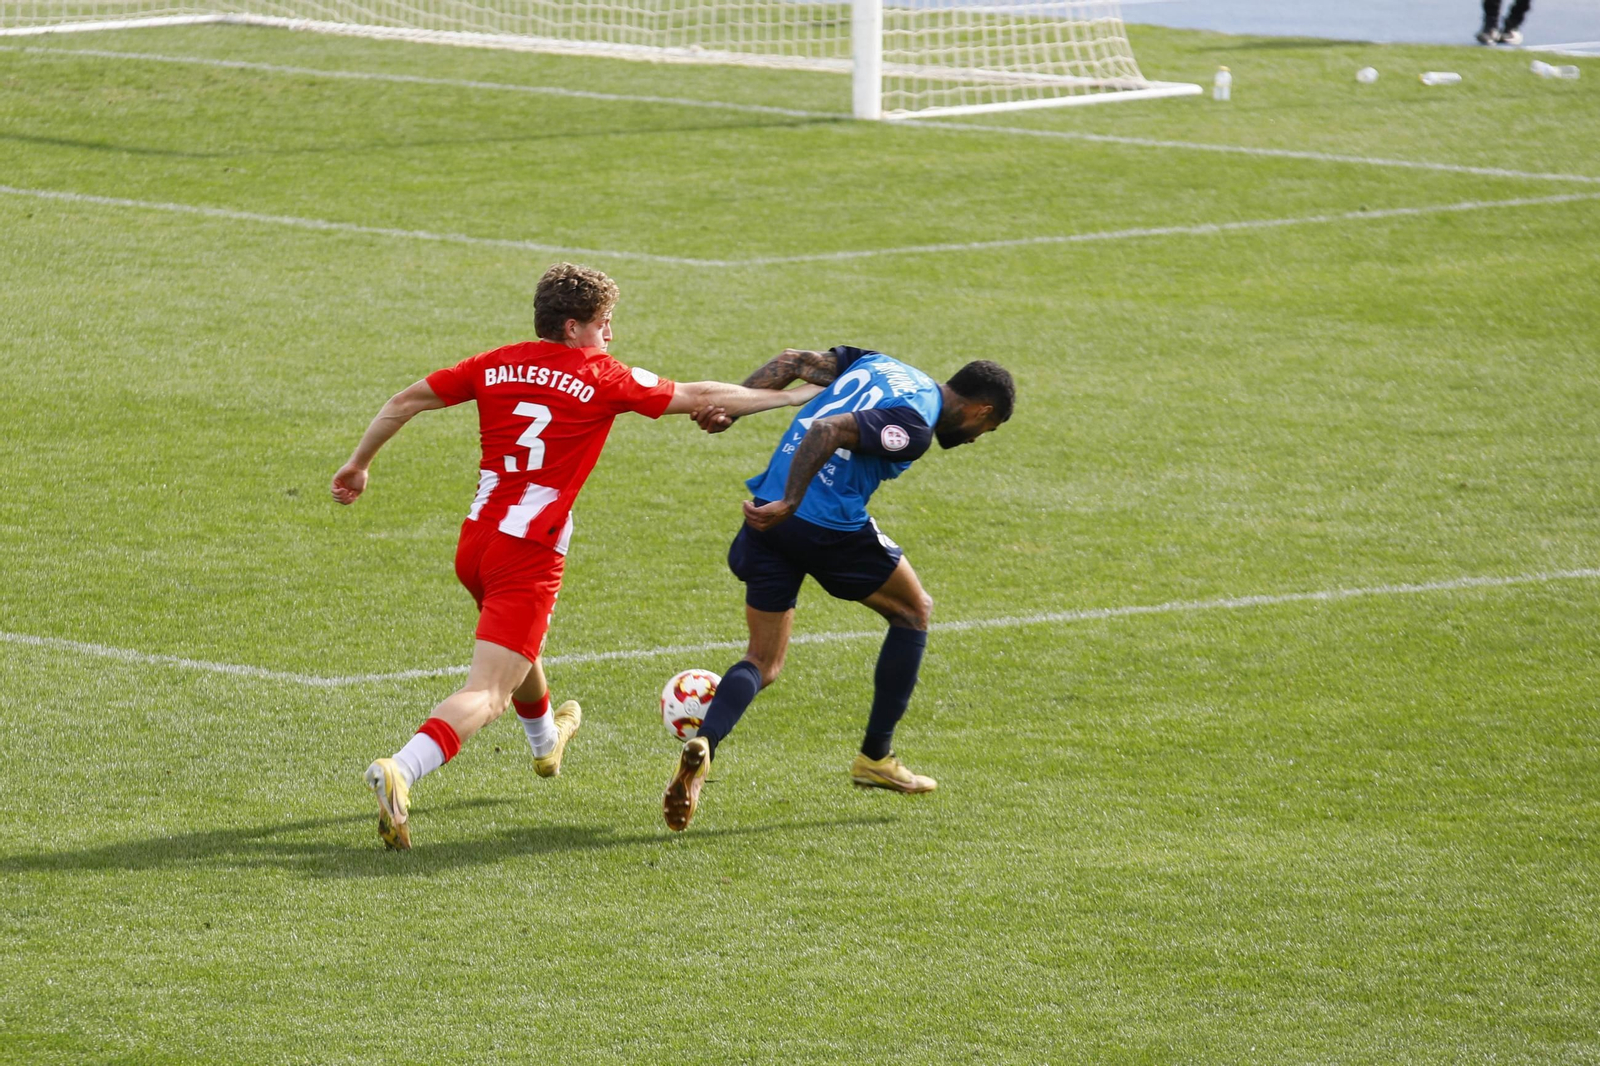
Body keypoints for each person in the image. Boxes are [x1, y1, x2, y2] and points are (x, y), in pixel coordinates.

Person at [331, 263, 819, 850]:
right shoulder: (600, 376)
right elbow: (700, 396)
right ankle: (401, 771)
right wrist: (792, 395)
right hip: (529, 550)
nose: (609, 336)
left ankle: (545, 745)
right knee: (487, 692)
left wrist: (358, 464)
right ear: (572, 327)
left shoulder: (493, 363)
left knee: (519, 649)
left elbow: (404, 400)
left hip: (477, 540)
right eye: (603, 325)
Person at [662, 345, 1015, 832]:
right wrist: (792, 501)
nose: (976, 438)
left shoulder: (884, 365)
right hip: (818, 524)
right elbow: (827, 430)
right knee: (914, 611)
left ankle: (704, 747)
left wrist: (733, 408)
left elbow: (791, 363)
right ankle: (875, 757)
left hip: (765, 517)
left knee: (762, 661)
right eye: (985, 430)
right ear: (982, 410)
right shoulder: (913, 427)